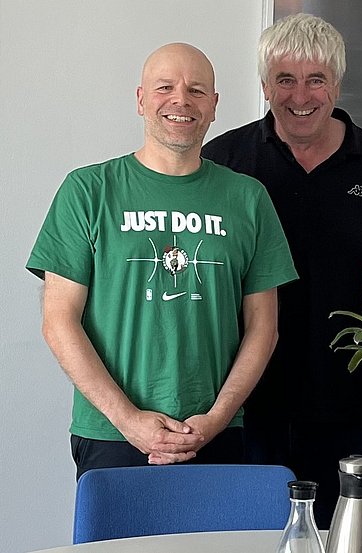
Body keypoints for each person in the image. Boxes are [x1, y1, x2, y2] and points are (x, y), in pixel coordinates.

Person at [27, 43, 297, 479]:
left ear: (213, 106)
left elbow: (263, 327)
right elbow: (58, 321)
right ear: (140, 100)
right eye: (164, 87)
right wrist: (129, 419)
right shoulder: (88, 190)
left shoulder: (248, 198)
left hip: (215, 432)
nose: (180, 100)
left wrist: (215, 419)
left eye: (196, 90)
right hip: (111, 433)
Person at [202, 13, 362, 527]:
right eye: (285, 80)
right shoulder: (224, 160)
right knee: (248, 532)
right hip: (240, 397)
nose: (301, 95)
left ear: (337, 84)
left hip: (343, 396)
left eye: (316, 79)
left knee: (337, 531)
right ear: (265, 85)